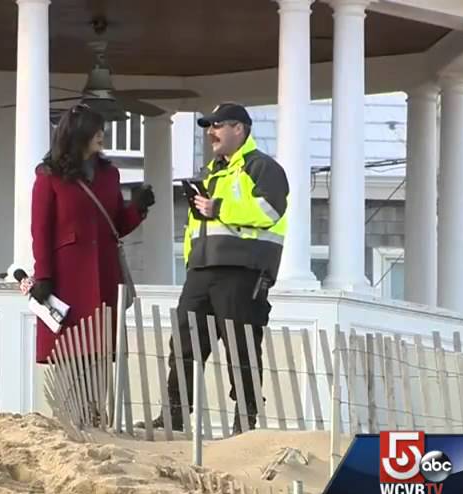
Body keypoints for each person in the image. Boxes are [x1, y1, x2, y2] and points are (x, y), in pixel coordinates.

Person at [152, 102, 289, 434]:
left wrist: (220, 208)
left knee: (241, 345)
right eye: (208, 127)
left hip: (242, 270)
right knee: (183, 341)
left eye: (217, 125)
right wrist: (191, 261)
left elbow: (270, 210)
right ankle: (175, 415)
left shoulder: (262, 167)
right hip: (202, 270)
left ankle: (245, 419)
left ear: (238, 129)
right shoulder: (210, 172)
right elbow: (195, 226)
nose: (211, 133)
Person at [24, 103, 155, 373]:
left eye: (101, 129)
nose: (101, 134)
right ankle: (75, 402)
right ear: (77, 133)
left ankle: (98, 401)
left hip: (105, 274)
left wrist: (138, 208)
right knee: (70, 354)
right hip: (67, 279)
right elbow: (41, 230)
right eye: (95, 130)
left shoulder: (110, 174)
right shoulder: (49, 176)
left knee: (101, 355)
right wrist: (44, 275)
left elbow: (115, 226)